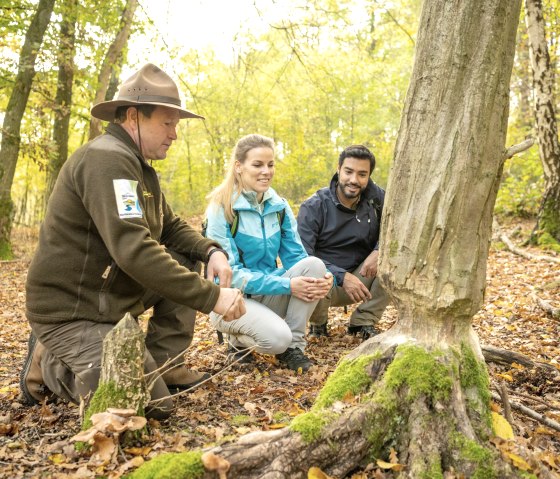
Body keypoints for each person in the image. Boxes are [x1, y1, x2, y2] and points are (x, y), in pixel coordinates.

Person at [20, 64, 246, 419]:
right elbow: (134, 250)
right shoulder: (106, 160)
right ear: (132, 116)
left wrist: (211, 250)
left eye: (176, 125)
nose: (174, 134)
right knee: (146, 407)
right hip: (72, 310)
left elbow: (169, 226)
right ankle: (47, 364)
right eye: (167, 123)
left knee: (186, 257)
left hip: (108, 299)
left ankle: (166, 364)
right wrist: (213, 297)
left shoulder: (138, 167)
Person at [204, 134, 332, 372]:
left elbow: (297, 259)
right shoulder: (222, 208)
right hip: (231, 302)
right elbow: (233, 276)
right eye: (258, 165)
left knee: (315, 266)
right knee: (276, 339)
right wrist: (288, 286)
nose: (266, 171)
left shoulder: (279, 206)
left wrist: (323, 279)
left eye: (270, 164)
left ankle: (294, 348)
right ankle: (238, 342)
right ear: (239, 167)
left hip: (269, 293)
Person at [297, 144, 389, 340]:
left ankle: (363, 322)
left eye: (362, 174)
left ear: (369, 176)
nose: (354, 180)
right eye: (348, 172)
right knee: (311, 268)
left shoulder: (378, 199)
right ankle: (318, 324)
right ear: (339, 169)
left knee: (395, 259)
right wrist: (343, 277)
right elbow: (302, 255)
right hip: (325, 284)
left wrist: (380, 250)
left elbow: (398, 227)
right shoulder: (314, 206)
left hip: (363, 275)